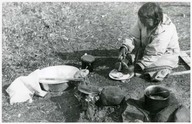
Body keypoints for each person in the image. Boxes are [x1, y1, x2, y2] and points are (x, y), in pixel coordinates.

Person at [118, 2, 180, 81]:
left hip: (165, 54)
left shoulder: (165, 29)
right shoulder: (143, 19)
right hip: (148, 49)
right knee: (128, 55)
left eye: (145, 20)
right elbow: (133, 36)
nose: (142, 22)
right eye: (141, 20)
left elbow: (155, 53)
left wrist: (136, 67)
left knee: (148, 70)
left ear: (156, 19)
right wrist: (125, 47)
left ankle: (142, 65)